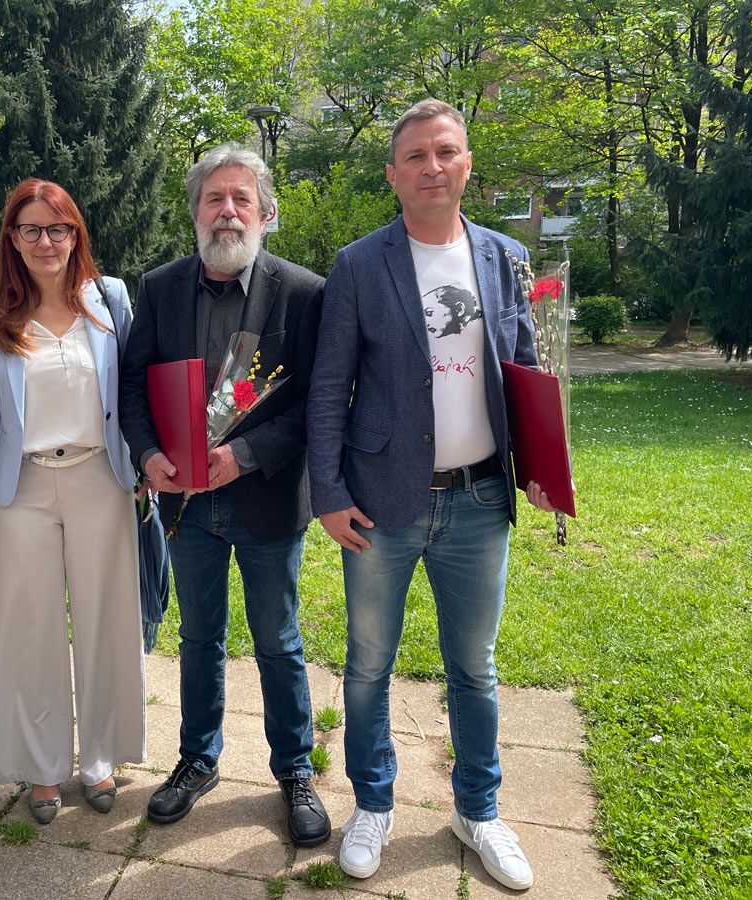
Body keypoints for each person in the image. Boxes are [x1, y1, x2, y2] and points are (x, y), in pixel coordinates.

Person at [306, 99, 567, 891]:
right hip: (381, 504)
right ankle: (372, 804)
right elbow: (327, 388)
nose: (431, 167)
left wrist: (544, 468)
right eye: (416, 156)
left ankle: (477, 812)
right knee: (367, 667)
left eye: (445, 152)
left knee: (475, 669)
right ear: (393, 174)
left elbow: (525, 369)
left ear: (467, 164)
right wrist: (327, 492)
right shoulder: (359, 265)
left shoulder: (504, 257)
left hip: (480, 502)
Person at [119, 144, 331, 847]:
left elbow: (317, 402)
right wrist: (147, 453)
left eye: (242, 199)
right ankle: (198, 759)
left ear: (265, 214)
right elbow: (132, 383)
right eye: (214, 199)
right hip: (186, 504)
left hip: (265, 495)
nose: (228, 212)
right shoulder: (160, 288)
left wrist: (244, 455)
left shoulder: (302, 293)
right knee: (199, 637)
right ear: (195, 213)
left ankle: (294, 769)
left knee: (278, 639)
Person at [0, 179, 145, 824]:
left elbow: (131, 391)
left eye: (58, 228)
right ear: (12, 239)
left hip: (101, 477)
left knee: (107, 620)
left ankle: (99, 758)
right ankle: (42, 767)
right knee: (30, 628)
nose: (45, 241)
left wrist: (144, 462)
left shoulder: (110, 298)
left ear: (76, 234)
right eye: (31, 229)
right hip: (23, 486)